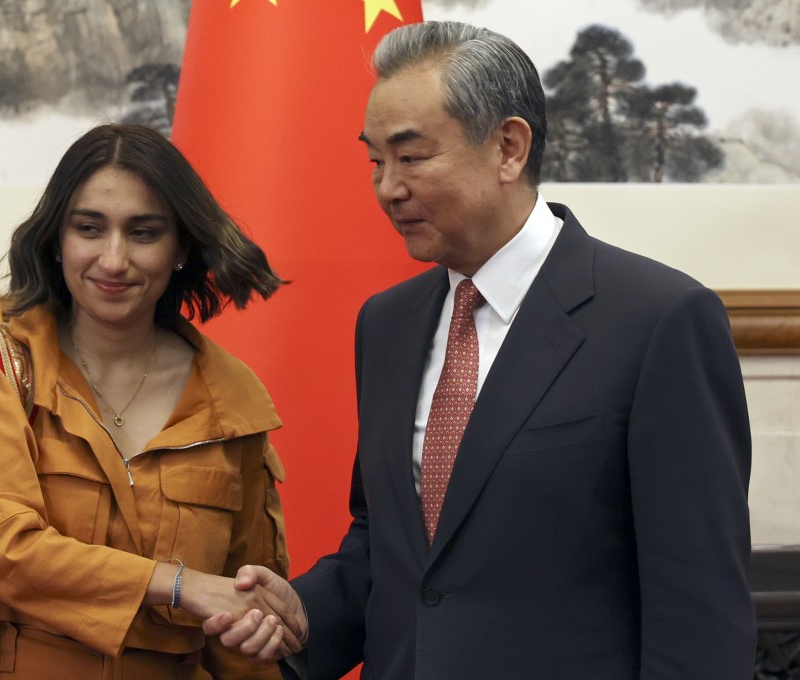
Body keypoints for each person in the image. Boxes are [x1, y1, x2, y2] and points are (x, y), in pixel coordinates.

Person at [204, 20, 756, 679]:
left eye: (411, 158)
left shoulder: (659, 320)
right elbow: (393, 550)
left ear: (509, 148)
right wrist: (294, 611)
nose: (386, 189)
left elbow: (698, 612)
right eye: (375, 161)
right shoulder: (387, 324)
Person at [0, 123, 299, 679]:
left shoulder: (231, 400)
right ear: (57, 239)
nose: (113, 259)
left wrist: (253, 627)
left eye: (143, 233)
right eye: (89, 229)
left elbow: (240, 622)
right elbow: (3, 546)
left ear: (180, 247)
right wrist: (178, 584)